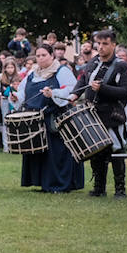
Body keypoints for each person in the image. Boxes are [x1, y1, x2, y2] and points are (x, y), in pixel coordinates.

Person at [69, 28, 127, 199]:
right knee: (96, 152)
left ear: (113, 45)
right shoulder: (92, 63)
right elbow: (83, 80)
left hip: (112, 115)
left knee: (117, 151)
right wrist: (75, 94)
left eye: (105, 44)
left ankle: (120, 190)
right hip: (93, 115)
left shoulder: (121, 66)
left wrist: (103, 88)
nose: (101, 47)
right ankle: (99, 188)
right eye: (99, 43)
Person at [15, 45, 84, 193]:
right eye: (38, 56)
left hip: (55, 119)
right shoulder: (33, 74)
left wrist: (53, 93)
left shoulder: (62, 71)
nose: (40, 58)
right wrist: (15, 97)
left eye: (44, 55)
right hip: (36, 121)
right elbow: (23, 92)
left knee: (57, 154)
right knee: (40, 154)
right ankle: (43, 183)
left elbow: (71, 90)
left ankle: (60, 184)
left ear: (52, 55)